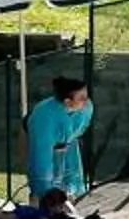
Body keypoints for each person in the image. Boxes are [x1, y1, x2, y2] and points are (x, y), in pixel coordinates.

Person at [24, 73, 92, 205]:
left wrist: (71, 187)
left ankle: (67, 202)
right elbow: (42, 157)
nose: (87, 100)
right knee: (43, 181)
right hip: (36, 134)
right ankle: (37, 207)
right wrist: (46, 191)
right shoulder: (45, 118)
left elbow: (78, 132)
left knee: (71, 176)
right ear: (68, 101)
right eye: (82, 98)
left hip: (66, 138)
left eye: (86, 95)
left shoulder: (86, 107)